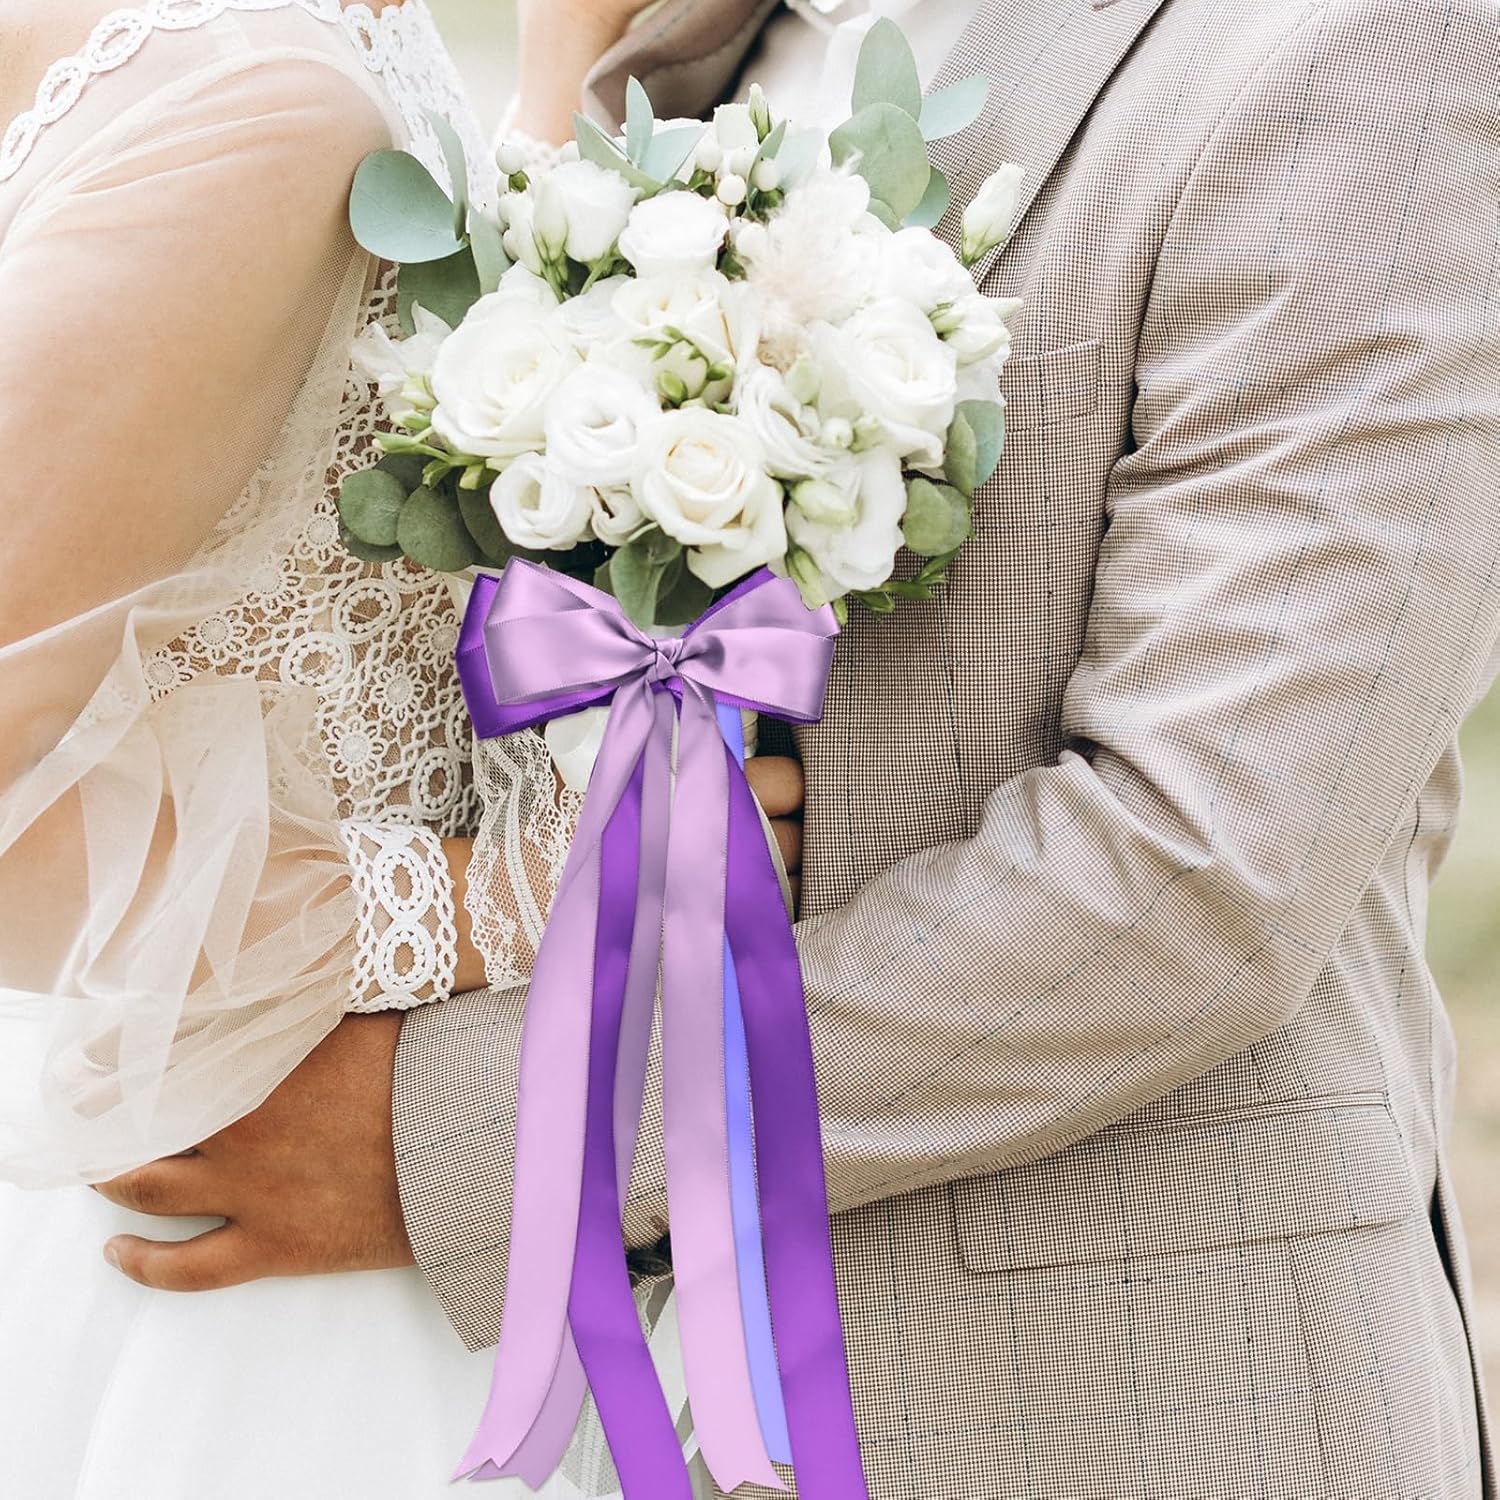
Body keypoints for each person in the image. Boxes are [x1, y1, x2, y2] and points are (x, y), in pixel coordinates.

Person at [10, 0, 1497, 1498]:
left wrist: (450, 1135)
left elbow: (1198, 875)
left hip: (1107, 1397)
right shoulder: (675, 48)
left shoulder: (1352, 55)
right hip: (521, 1390)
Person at [0, 1, 799, 1493]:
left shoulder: (324, 46)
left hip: (363, 1186)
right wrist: (521, 892)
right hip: (262, 1236)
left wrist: (556, 86)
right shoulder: (258, 101)